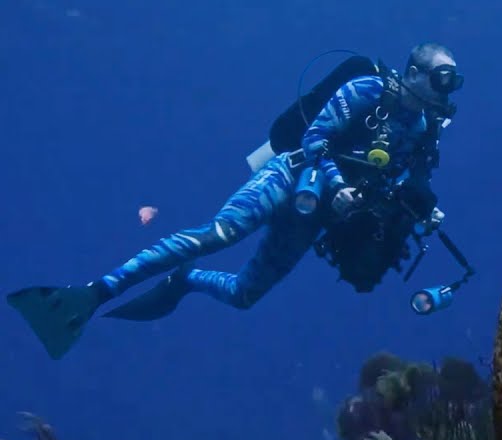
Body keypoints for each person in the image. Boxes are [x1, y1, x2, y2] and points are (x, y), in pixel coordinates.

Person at [7, 43, 465, 359]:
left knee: (246, 294)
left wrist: (416, 209)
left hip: (316, 216)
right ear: (413, 73)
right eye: (443, 78)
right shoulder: (369, 91)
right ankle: (96, 292)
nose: (448, 90)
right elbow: (315, 138)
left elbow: (396, 183)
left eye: (454, 81)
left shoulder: (423, 133)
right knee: (220, 234)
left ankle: (185, 281)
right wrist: (335, 183)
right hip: (292, 178)